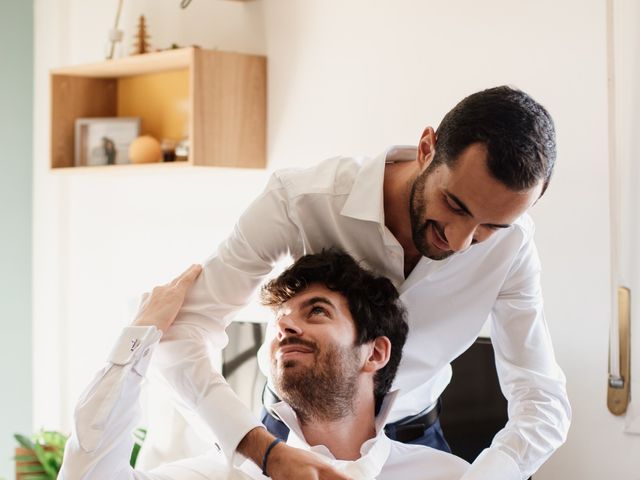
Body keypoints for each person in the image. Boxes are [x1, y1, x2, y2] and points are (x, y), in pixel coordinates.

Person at [157, 86, 571, 480]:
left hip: (417, 435)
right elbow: (186, 328)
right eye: (455, 205)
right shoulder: (300, 200)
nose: (462, 242)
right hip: (283, 439)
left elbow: (542, 401)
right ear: (427, 148)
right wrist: (256, 446)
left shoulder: (513, 248)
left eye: (489, 227)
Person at [59, 253, 470, 480]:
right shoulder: (220, 476)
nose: (286, 325)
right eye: (281, 319)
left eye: (317, 312)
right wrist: (141, 332)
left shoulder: (449, 477)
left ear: (375, 353)